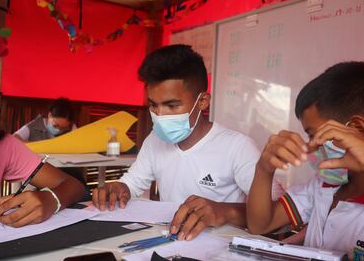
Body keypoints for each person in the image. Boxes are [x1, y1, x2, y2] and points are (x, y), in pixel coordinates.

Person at [92, 44, 261, 241]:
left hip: (219, 250)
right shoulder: (155, 141)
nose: (160, 115)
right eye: (153, 105)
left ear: (202, 102)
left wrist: (224, 211)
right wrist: (119, 188)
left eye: (172, 105)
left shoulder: (238, 148)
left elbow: (274, 212)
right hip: (171, 243)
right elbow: (132, 183)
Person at [247, 61, 364, 260]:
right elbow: (260, 224)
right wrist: (263, 170)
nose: (310, 146)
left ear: (358, 130)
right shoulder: (325, 185)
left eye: (313, 135)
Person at [0, 84, 85, 227]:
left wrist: (51, 199)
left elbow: (75, 187)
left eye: (62, 128)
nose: (58, 130)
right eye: (56, 125)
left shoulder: (2, 145)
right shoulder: (34, 126)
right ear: (50, 116)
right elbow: (19, 137)